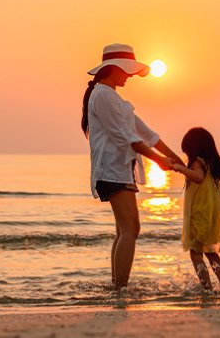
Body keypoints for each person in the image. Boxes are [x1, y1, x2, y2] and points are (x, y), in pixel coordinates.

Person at [82, 43, 184, 290]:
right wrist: (159, 161)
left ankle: (117, 286)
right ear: (113, 68)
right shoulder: (103, 95)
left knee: (124, 231)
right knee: (131, 229)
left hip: (121, 170)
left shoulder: (115, 98)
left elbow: (146, 133)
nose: (129, 76)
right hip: (111, 170)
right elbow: (125, 137)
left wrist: (177, 159)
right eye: (127, 70)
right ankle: (120, 288)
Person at [172, 127, 220, 290]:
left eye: (188, 152)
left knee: (195, 252)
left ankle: (207, 287)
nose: (188, 157)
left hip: (199, 213)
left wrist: (181, 169)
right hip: (210, 214)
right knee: (210, 252)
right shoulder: (211, 163)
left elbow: (198, 177)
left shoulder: (198, 162)